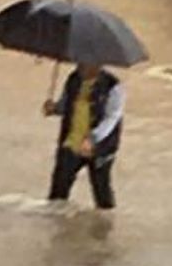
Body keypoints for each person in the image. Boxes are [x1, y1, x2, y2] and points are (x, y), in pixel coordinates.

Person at [42, 63, 126, 210]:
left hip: (100, 147)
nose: (81, 66)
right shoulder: (73, 79)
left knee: (102, 194)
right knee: (57, 194)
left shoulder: (114, 87)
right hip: (71, 142)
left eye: (86, 62)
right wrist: (54, 108)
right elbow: (66, 105)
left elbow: (112, 118)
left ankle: (104, 228)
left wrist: (93, 138)